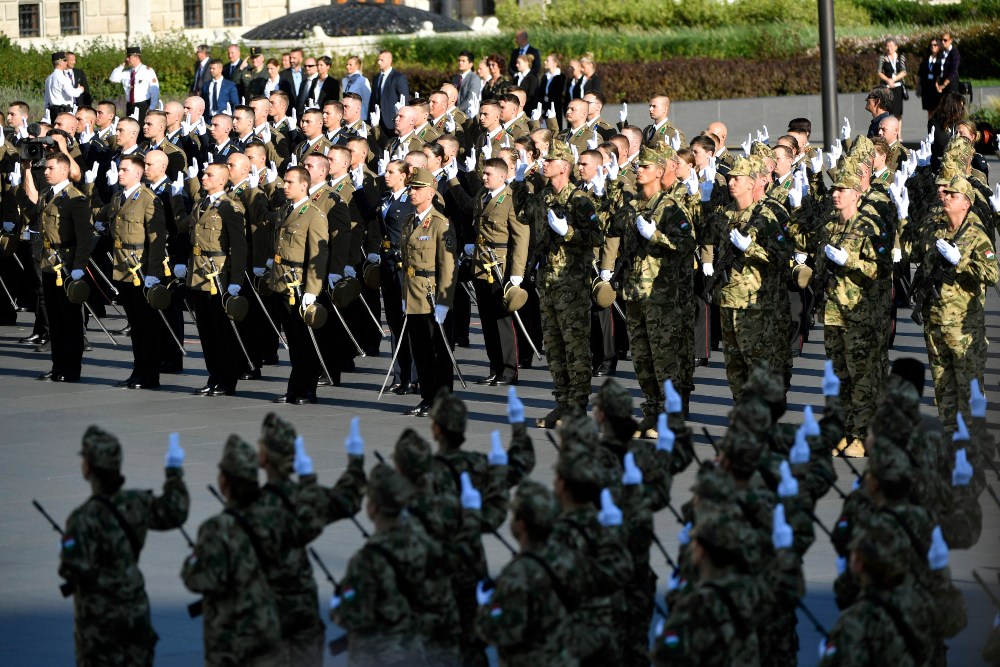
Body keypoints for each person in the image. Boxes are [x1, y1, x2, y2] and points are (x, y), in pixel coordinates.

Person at [60, 425, 190, 667]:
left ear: (88, 468)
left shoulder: (82, 518)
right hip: (134, 618)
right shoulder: (137, 503)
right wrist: (174, 471)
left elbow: (71, 569)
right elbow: (175, 511)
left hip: (99, 629)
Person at [520, 140, 602, 427]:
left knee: (575, 348)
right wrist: (518, 184)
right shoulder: (543, 197)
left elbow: (596, 236)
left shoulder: (579, 199)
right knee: (554, 349)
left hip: (572, 285)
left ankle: (577, 408)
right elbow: (521, 214)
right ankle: (561, 405)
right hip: (547, 284)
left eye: (550, 160)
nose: (544, 163)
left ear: (564, 167)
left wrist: (568, 232)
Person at [181, 435, 284, 666]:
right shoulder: (273, 518)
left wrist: (193, 560)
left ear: (224, 481)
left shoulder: (216, 528)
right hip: (269, 631)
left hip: (231, 641)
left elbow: (197, 579)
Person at [910, 175, 997, 434]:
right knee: (943, 384)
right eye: (946, 193)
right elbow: (915, 254)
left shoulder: (976, 235)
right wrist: (905, 218)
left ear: (966, 203)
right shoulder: (935, 231)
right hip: (936, 321)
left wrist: (961, 262)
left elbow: (992, 273)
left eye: (953, 195)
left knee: (968, 385)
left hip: (963, 328)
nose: (946, 197)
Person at [331, 463, 429, 666]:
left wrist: (337, 606)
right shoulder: (421, 546)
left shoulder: (366, 559)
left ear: (373, 508)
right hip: (414, 652)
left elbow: (354, 617)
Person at [475, 480, 576, 666]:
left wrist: (485, 608)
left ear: (521, 525)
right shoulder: (567, 560)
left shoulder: (518, 573)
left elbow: (500, 632)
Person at [171, 162, 248, 397]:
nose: (203, 178)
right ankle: (213, 376)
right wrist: (176, 198)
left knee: (222, 331)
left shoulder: (230, 207)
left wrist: (235, 280)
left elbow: (239, 246)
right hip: (198, 273)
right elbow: (183, 227)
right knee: (206, 331)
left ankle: (227, 380)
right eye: (204, 174)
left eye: (209, 175)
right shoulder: (200, 204)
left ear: (223, 180)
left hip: (218, 275)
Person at [93, 154, 166, 389]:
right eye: (119, 169)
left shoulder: (148, 199)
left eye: (124, 169)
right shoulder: (118, 198)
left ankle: (150, 375)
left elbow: (157, 240)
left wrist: (153, 273)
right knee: (135, 325)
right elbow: (98, 213)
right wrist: (89, 186)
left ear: (138, 173)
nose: (120, 173)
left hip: (141, 270)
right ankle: (138, 371)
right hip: (122, 268)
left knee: (147, 325)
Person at [19, 152, 92, 382]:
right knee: (55, 320)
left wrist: (79, 266)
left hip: (67, 265)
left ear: (64, 170)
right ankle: (58, 365)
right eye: (45, 168)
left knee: (70, 320)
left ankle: (71, 368)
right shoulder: (47, 195)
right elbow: (34, 216)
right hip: (49, 263)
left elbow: (85, 236)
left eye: (50, 168)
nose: (46, 172)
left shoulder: (75, 198)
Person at [399, 167, 458, 416]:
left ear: (431, 192)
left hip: (432, 296)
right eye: (411, 188)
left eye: (417, 188)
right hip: (413, 294)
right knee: (420, 351)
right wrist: (404, 296)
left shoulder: (440, 224)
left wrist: (444, 301)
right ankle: (427, 397)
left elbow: (448, 266)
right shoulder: (410, 220)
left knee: (438, 352)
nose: (412, 192)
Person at [108, 46, 159, 124]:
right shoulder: (126, 72)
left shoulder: (147, 71)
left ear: (136, 57)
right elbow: (113, 79)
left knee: (142, 129)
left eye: (129, 57)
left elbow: (154, 90)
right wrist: (122, 65)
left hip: (143, 105)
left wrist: (152, 107)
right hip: (130, 106)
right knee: (130, 127)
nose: (127, 59)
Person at [370, 50, 410, 138]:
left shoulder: (398, 78)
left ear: (389, 61)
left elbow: (404, 100)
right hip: (378, 121)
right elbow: (373, 99)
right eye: (378, 60)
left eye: (381, 60)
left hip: (392, 121)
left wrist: (402, 118)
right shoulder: (376, 78)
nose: (378, 62)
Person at [877, 39, 907, 118]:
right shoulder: (882, 58)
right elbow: (879, 72)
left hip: (898, 87)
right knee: (887, 111)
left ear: (896, 47)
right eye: (887, 46)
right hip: (886, 87)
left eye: (891, 46)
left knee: (898, 113)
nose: (889, 48)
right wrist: (888, 80)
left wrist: (893, 80)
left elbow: (904, 71)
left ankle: (898, 126)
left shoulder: (901, 57)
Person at [917, 38, 943, 118]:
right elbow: (920, 73)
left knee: (938, 110)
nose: (933, 47)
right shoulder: (926, 58)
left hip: (936, 88)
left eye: (935, 45)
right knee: (929, 111)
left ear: (939, 46)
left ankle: (937, 126)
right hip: (926, 87)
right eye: (931, 45)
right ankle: (930, 126)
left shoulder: (941, 58)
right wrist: (918, 86)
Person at [540, 53, 567, 130]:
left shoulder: (561, 77)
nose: (545, 62)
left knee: (555, 129)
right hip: (545, 107)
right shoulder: (545, 76)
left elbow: (558, 94)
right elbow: (540, 93)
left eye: (547, 61)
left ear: (555, 63)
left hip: (555, 108)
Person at [454, 50, 482, 118]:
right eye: (459, 60)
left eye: (463, 61)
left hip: (467, 116)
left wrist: (455, 111)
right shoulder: (456, 78)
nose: (460, 63)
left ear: (471, 64)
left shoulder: (474, 78)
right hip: (454, 115)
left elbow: (470, 99)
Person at [937, 31, 960, 96]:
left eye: (945, 40)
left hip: (951, 82)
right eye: (941, 40)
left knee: (950, 100)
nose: (943, 42)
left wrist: (944, 84)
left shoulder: (954, 52)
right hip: (941, 81)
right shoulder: (941, 52)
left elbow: (953, 71)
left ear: (950, 40)